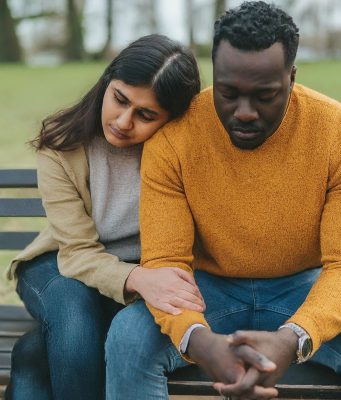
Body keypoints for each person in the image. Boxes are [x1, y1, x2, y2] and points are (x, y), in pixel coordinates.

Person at [105, 2, 341, 400]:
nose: (244, 113)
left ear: (291, 78)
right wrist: (199, 340)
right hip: (206, 291)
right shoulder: (175, 139)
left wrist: (293, 338)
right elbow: (165, 263)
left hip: (305, 289)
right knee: (128, 338)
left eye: (265, 95)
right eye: (228, 93)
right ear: (215, 72)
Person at [5, 34, 204, 400]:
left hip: (142, 272)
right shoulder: (62, 145)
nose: (124, 121)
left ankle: (29, 356)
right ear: (107, 82)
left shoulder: (180, 153)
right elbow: (77, 252)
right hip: (60, 263)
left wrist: (145, 276)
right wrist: (140, 278)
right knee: (75, 322)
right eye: (120, 99)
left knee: (36, 352)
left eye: (146, 115)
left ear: (173, 118)